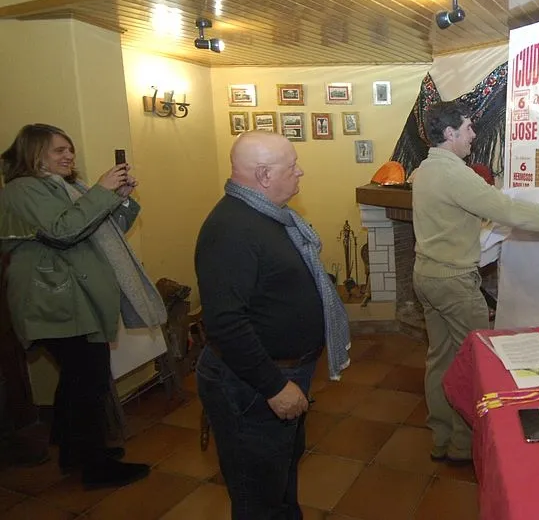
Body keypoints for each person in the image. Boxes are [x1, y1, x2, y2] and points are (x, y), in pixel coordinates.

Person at [412, 102, 539, 463]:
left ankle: (442, 437)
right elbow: (508, 210)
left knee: (440, 359)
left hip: (426, 276)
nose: (473, 135)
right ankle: (464, 447)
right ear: (450, 134)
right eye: (468, 128)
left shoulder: (425, 169)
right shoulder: (454, 174)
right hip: (453, 283)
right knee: (476, 362)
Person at [194, 130, 350, 520]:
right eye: (292, 165)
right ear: (264, 175)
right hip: (251, 383)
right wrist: (275, 386)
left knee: (279, 475)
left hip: (282, 372)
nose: (301, 172)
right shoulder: (231, 229)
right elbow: (226, 323)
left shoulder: (270, 216)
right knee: (258, 492)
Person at [0, 124, 164, 488]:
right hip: (56, 298)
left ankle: (76, 454)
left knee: (79, 381)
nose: (69, 156)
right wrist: (100, 192)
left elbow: (107, 229)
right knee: (87, 381)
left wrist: (118, 197)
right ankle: (93, 468)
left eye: (70, 150)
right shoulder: (23, 189)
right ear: (33, 152)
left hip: (76, 298)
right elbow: (63, 232)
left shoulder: (69, 187)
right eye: (58, 150)